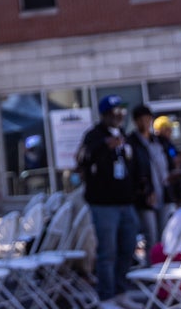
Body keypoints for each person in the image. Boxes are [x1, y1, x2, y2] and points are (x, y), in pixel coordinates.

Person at [76, 94, 141, 308]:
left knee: (128, 248)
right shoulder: (94, 136)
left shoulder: (124, 134)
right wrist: (104, 146)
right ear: (105, 114)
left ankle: (120, 290)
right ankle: (106, 296)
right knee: (108, 251)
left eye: (121, 112)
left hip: (126, 201)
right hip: (104, 204)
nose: (119, 116)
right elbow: (84, 158)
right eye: (114, 112)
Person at [127, 104, 167, 264]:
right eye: (141, 120)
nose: (145, 123)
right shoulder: (132, 142)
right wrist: (144, 191)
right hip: (145, 196)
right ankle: (153, 268)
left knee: (164, 234)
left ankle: (163, 265)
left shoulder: (157, 141)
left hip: (163, 192)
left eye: (148, 119)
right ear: (136, 122)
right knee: (151, 235)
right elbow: (134, 171)